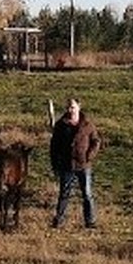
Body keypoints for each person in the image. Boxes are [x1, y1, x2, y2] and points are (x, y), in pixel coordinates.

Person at [49, 97, 102, 229]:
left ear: (79, 107)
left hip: (83, 165)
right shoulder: (61, 125)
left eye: (72, 107)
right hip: (66, 165)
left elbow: (96, 141)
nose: (70, 110)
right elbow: (54, 146)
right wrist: (55, 164)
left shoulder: (87, 125)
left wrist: (89, 156)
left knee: (87, 194)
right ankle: (59, 221)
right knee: (64, 194)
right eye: (68, 107)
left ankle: (90, 222)